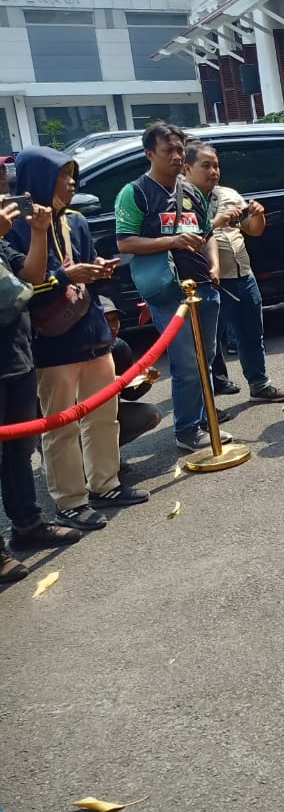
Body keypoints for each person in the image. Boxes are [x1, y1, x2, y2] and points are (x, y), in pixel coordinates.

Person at [10, 147, 148, 531]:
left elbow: (83, 269)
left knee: (103, 417)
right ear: (38, 181)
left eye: (72, 174)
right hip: (51, 344)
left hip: (92, 333)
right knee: (60, 427)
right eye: (62, 176)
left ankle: (105, 484)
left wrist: (98, 270)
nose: (72, 182)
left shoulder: (77, 221)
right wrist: (70, 277)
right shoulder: (18, 228)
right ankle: (69, 501)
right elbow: (23, 288)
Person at [114, 122, 229, 451]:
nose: (178, 156)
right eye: (169, 151)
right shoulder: (135, 192)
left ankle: (205, 422)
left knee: (205, 360)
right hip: (169, 292)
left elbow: (206, 235)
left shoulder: (191, 190)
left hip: (204, 286)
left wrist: (214, 265)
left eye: (180, 149)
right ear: (150, 154)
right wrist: (173, 240)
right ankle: (186, 431)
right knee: (186, 363)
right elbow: (124, 242)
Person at [0, 198, 82, 582]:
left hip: (15, 353)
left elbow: (31, 277)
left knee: (19, 449)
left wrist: (37, 232)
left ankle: (28, 526)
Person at [184, 142, 284, 403]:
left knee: (252, 334)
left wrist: (258, 215)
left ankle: (259, 384)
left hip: (244, 274)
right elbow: (183, 240)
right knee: (207, 347)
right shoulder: (182, 201)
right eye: (206, 166)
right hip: (211, 281)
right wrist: (216, 223)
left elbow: (254, 230)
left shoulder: (228, 194)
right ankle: (205, 406)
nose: (213, 171)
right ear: (187, 168)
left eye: (216, 165)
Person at [100, 297, 162, 452]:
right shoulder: (75, 352)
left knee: (151, 414)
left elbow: (129, 394)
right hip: (72, 419)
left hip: (108, 412)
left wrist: (146, 380)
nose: (112, 327)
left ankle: (108, 454)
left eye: (115, 320)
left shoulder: (119, 347)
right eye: (105, 321)